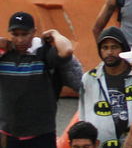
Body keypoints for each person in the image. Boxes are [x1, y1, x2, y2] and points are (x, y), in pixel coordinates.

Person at [1, 11, 84, 148]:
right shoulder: (4, 55)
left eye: (24, 34)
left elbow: (66, 50)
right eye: (15, 35)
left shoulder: (43, 54)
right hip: (9, 133)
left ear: (34, 32)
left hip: (41, 133)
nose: (20, 40)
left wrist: (54, 34)